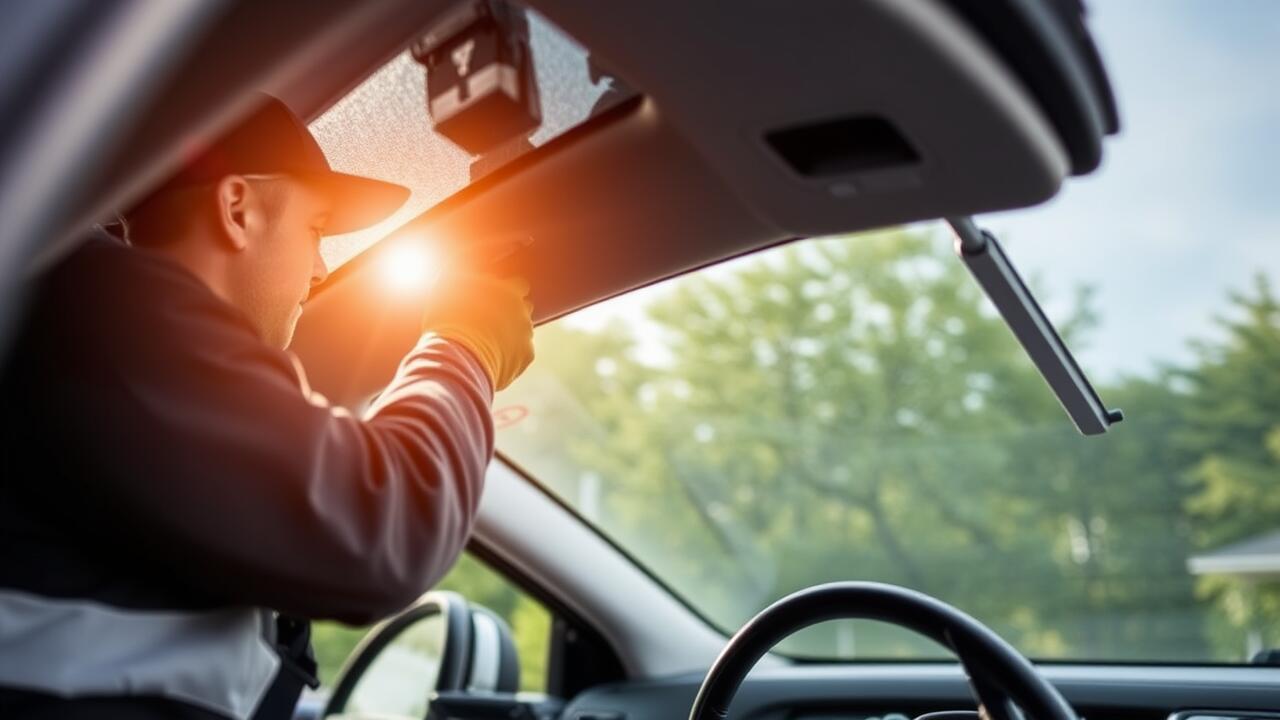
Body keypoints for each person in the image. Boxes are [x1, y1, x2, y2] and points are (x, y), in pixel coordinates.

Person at [0, 95, 535, 720]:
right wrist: (466, 344)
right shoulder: (106, 304)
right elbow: (380, 527)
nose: (318, 267)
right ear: (236, 209)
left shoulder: (112, 361)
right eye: (315, 230)